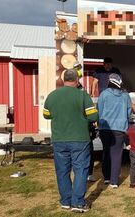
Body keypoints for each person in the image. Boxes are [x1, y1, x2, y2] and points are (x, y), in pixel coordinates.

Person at [43, 69, 98, 213]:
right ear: (76, 80)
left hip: (59, 139)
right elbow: (93, 117)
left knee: (62, 171)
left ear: (63, 80)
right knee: (80, 171)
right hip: (80, 139)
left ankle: (65, 201)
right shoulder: (82, 95)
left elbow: (46, 115)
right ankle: (78, 203)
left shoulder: (52, 95)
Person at [97, 73, 131, 188]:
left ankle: (106, 177)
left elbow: (100, 111)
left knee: (106, 152)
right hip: (120, 128)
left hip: (105, 128)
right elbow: (128, 113)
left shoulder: (104, 94)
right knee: (117, 154)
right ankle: (114, 181)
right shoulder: (126, 96)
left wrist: (99, 124)